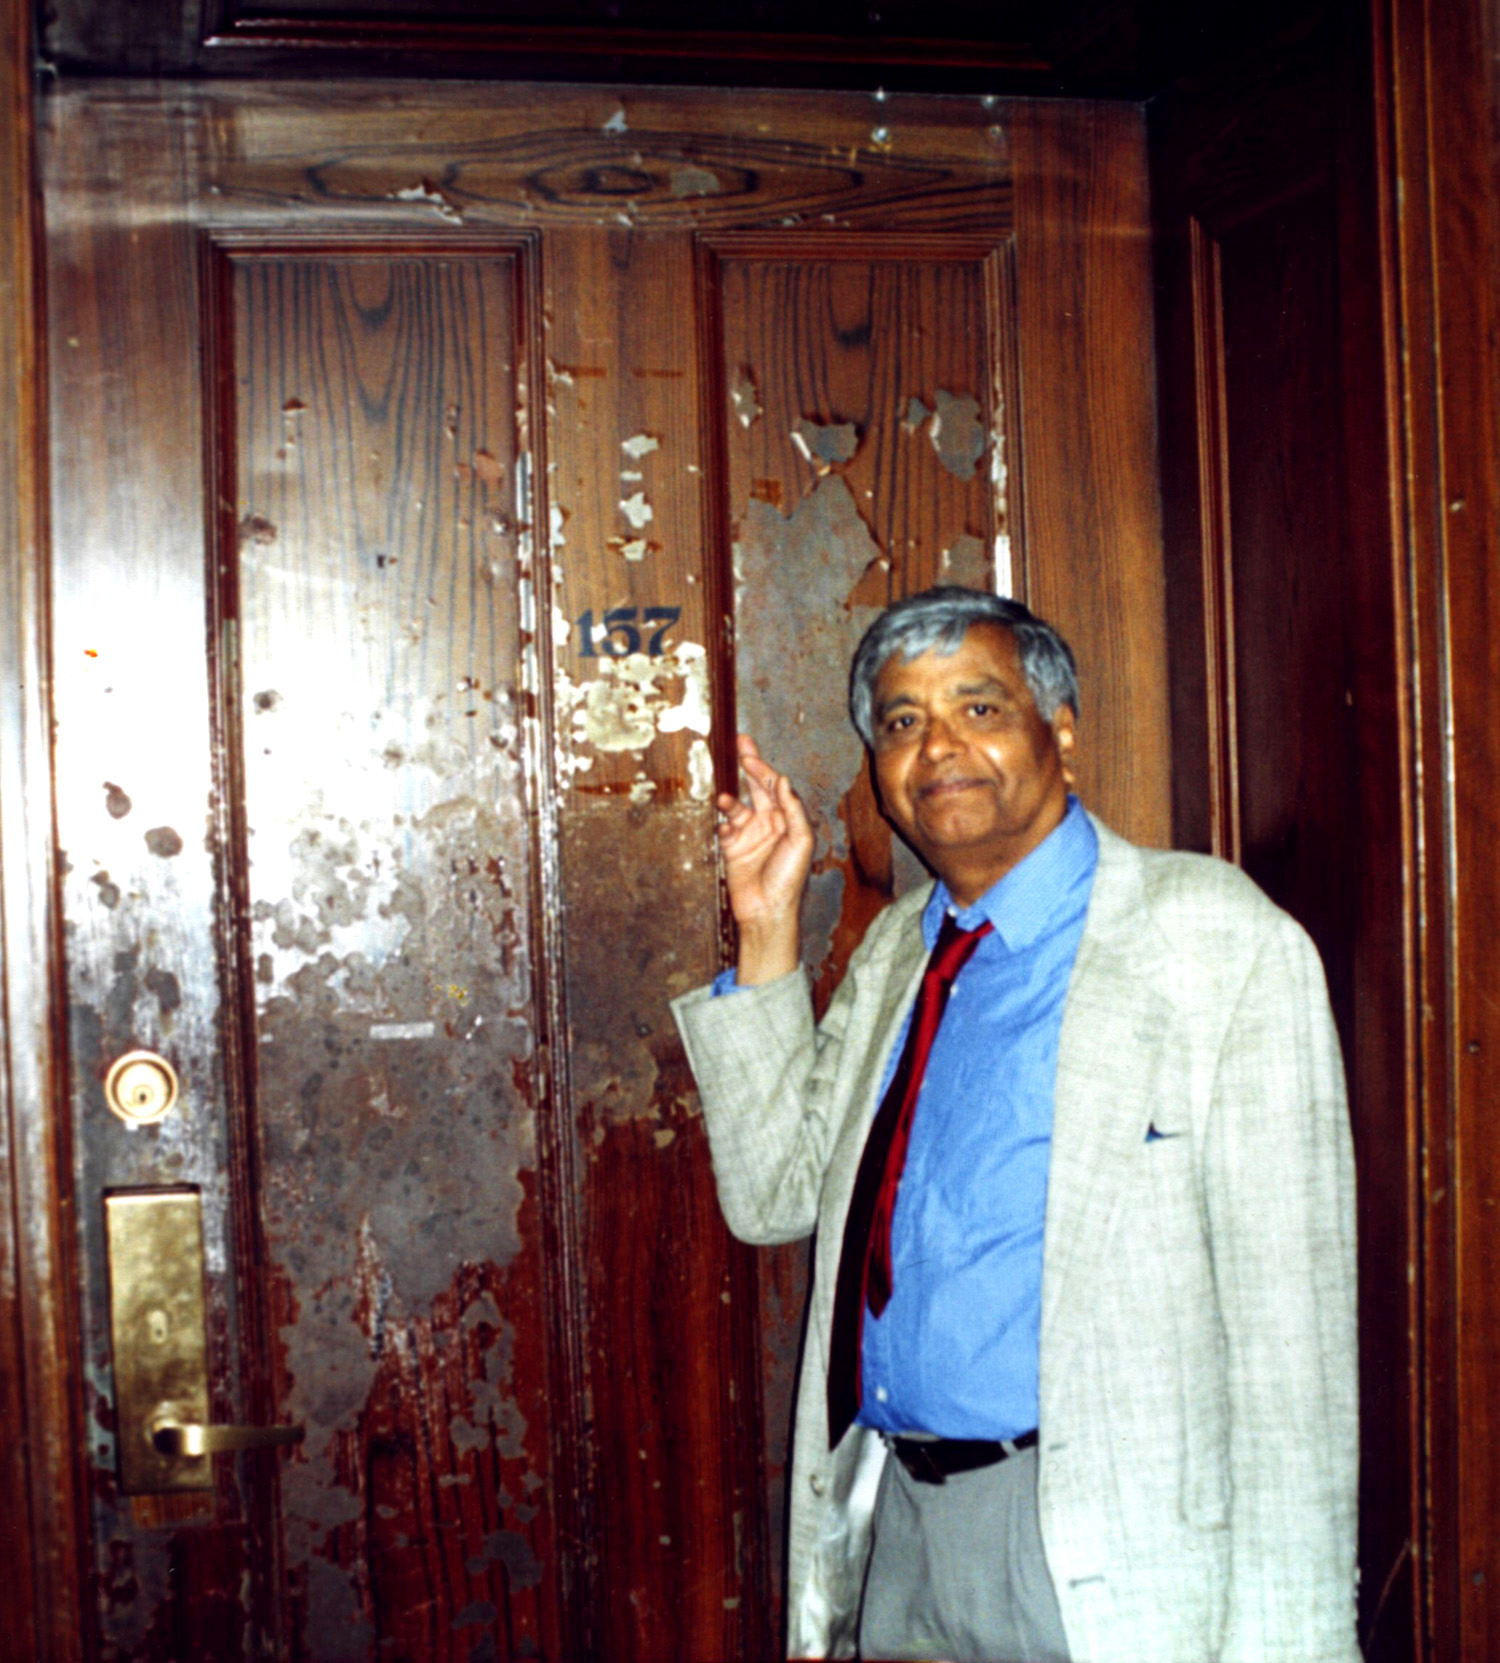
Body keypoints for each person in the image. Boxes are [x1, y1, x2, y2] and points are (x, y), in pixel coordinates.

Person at [671, 587, 1358, 1663]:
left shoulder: (1215, 943)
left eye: (979, 708)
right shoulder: (904, 953)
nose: (937, 745)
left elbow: (1294, 1356)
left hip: (1108, 1556)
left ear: (1061, 729)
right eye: (901, 721)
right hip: (896, 1530)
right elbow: (773, 1198)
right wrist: (766, 928)